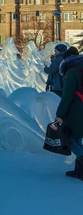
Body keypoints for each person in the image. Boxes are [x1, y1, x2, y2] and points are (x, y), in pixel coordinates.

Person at [53, 46, 83, 180]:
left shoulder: (72, 71)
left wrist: (60, 114)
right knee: (77, 138)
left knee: (68, 138)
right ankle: (79, 171)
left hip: (76, 109)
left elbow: (67, 96)